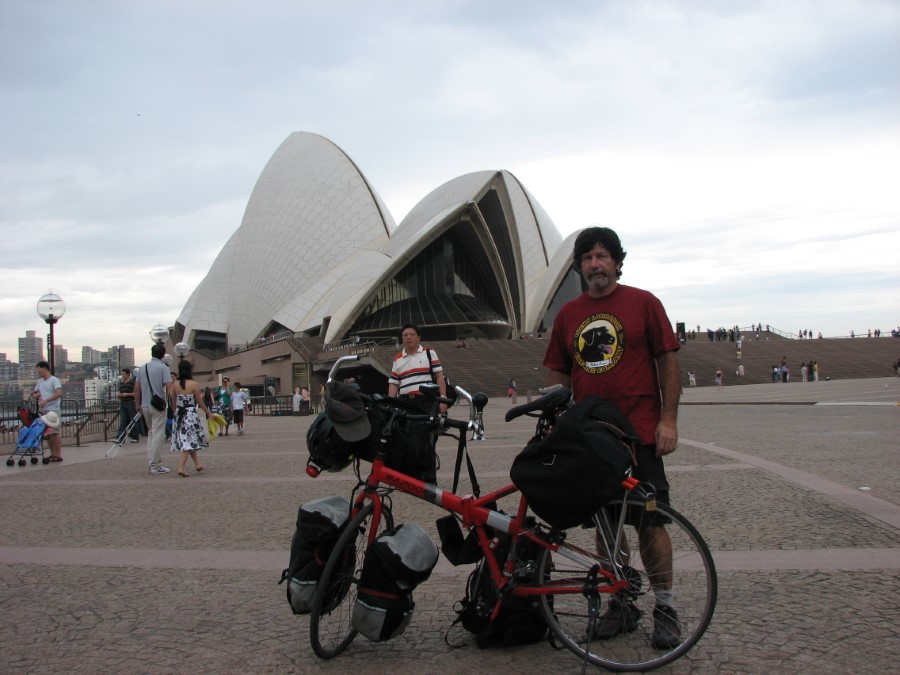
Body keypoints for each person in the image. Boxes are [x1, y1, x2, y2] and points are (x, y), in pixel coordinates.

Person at [543, 226, 682, 650]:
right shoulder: (568, 314)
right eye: (587, 258)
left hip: (639, 431)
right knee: (606, 523)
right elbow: (557, 372)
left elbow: (668, 361)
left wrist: (668, 420)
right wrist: (561, 420)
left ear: (617, 262)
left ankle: (665, 606)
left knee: (650, 521)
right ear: (580, 267)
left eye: (602, 256)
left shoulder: (644, 303)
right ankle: (621, 601)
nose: (595, 264)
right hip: (592, 438)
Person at [387, 324, 447, 414]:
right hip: (405, 402)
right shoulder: (397, 358)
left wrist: (443, 398)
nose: (408, 337)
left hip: (425, 400)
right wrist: (391, 405)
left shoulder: (429, 353)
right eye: (405, 335)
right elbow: (394, 384)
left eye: (412, 334)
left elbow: (439, 376)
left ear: (419, 337)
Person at [169, 360, 214, 476]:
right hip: (190, 413)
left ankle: (197, 463)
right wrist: (208, 412)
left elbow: (173, 403)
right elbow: (200, 401)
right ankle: (181, 467)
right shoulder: (194, 384)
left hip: (179, 413)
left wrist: (175, 411)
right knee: (188, 441)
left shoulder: (174, 384)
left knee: (188, 439)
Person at [135, 344, 171, 475]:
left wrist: (137, 404)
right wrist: (174, 403)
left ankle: (151, 462)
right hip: (157, 405)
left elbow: (136, 389)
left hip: (144, 405)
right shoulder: (163, 367)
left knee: (151, 433)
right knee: (157, 435)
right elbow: (169, 386)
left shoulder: (142, 368)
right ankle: (155, 464)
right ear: (163, 354)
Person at [32, 361, 63, 462]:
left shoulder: (54, 380)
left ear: (44, 368)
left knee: (54, 432)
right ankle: (52, 453)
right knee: (48, 433)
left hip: (53, 409)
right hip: (44, 409)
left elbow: (59, 393)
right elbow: (35, 392)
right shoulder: (40, 381)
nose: (38, 371)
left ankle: (58, 454)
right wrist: (35, 396)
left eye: (39, 369)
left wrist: (46, 400)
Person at [115, 368, 140, 444]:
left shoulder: (132, 382)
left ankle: (135, 436)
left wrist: (127, 394)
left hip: (130, 403)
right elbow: (119, 391)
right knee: (123, 421)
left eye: (123, 374)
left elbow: (136, 393)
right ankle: (120, 437)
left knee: (133, 420)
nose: (122, 375)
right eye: (121, 374)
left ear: (128, 374)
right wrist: (119, 395)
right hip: (123, 403)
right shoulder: (121, 383)